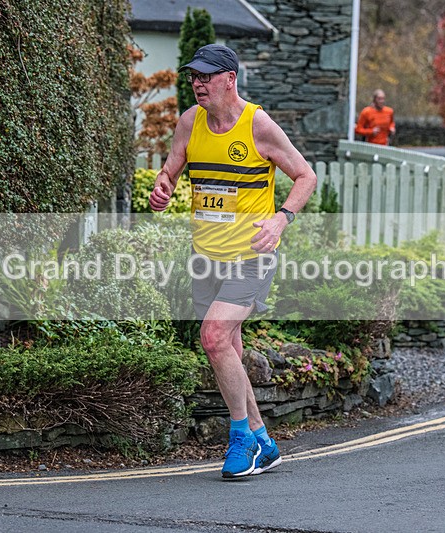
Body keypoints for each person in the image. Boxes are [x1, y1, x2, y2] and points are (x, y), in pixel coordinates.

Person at [149, 44, 317, 478]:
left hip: (251, 257)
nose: (197, 83)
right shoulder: (190, 121)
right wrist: (162, 188)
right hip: (206, 257)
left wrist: (281, 220)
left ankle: (240, 437)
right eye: (193, 77)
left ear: (230, 79)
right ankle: (263, 440)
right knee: (227, 348)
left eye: (206, 76)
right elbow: (171, 169)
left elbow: (305, 175)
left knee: (213, 338)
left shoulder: (257, 124)